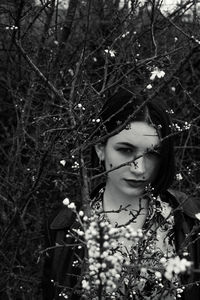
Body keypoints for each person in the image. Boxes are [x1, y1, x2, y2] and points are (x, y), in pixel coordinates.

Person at [42, 88, 200, 300]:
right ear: (100, 148)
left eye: (152, 153)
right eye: (125, 150)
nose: (139, 168)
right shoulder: (64, 227)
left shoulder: (190, 220)